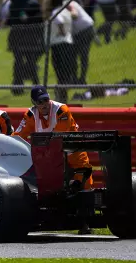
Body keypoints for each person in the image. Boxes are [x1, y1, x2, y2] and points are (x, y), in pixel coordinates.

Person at [13, 85, 93, 234]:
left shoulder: (62, 110)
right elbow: (17, 136)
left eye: (46, 100)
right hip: (48, 153)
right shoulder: (30, 116)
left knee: (82, 179)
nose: (44, 105)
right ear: (34, 103)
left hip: (72, 149)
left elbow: (59, 136)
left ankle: (85, 221)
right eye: (40, 102)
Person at [7, 0, 43, 94]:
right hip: (17, 37)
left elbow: (39, 19)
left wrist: (28, 19)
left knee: (31, 62)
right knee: (17, 62)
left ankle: (37, 87)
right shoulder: (14, 2)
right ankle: (17, 87)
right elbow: (11, 19)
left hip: (30, 37)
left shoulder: (33, 2)